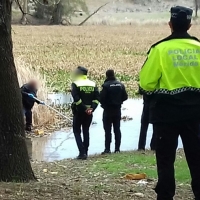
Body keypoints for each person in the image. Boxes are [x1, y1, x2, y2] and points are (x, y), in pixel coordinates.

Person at [139, 6, 200, 200]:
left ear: (170, 24)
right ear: (190, 25)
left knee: (165, 159)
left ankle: (165, 195)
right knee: (197, 158)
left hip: (165, 115)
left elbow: (146, 83)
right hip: (195, 114)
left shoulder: (159, 49)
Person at [71, 66, 99, 160]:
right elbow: (96, 98)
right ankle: (86, 152)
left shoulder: (75, 83)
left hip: (79, 112)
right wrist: (91, 109)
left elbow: (76, 98)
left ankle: (82, 153)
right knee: (86, 131)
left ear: (79, 73)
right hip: (89, 112)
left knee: (77, 131)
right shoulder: (93, 84)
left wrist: (84, 109)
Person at [100, 69, 128, 154]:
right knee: (117, 129)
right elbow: (125, 97)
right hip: (117, 110)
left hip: (108, 110)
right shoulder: (120, 85)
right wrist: (119, 101)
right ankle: (117, 149)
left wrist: (104, 105)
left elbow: (101, 98)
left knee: (108, 130)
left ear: (107, 75)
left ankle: (107, 149)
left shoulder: (106, 85)